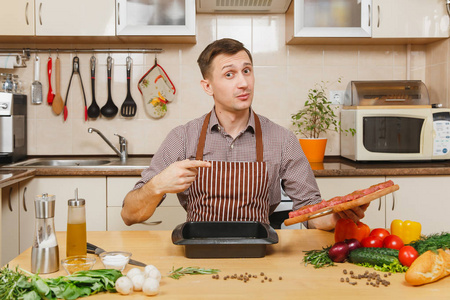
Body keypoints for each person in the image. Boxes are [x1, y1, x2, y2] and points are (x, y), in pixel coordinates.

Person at [121, 38, 368, 230]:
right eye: (230, 74)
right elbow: (129, 215)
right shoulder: (182, 138)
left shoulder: (282, 139)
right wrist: (157, 186)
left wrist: (336, 215)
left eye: (247, 71)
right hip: (199, 254)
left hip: (260, 253)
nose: (243, 83)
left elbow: (310, 213)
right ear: (207, 86)